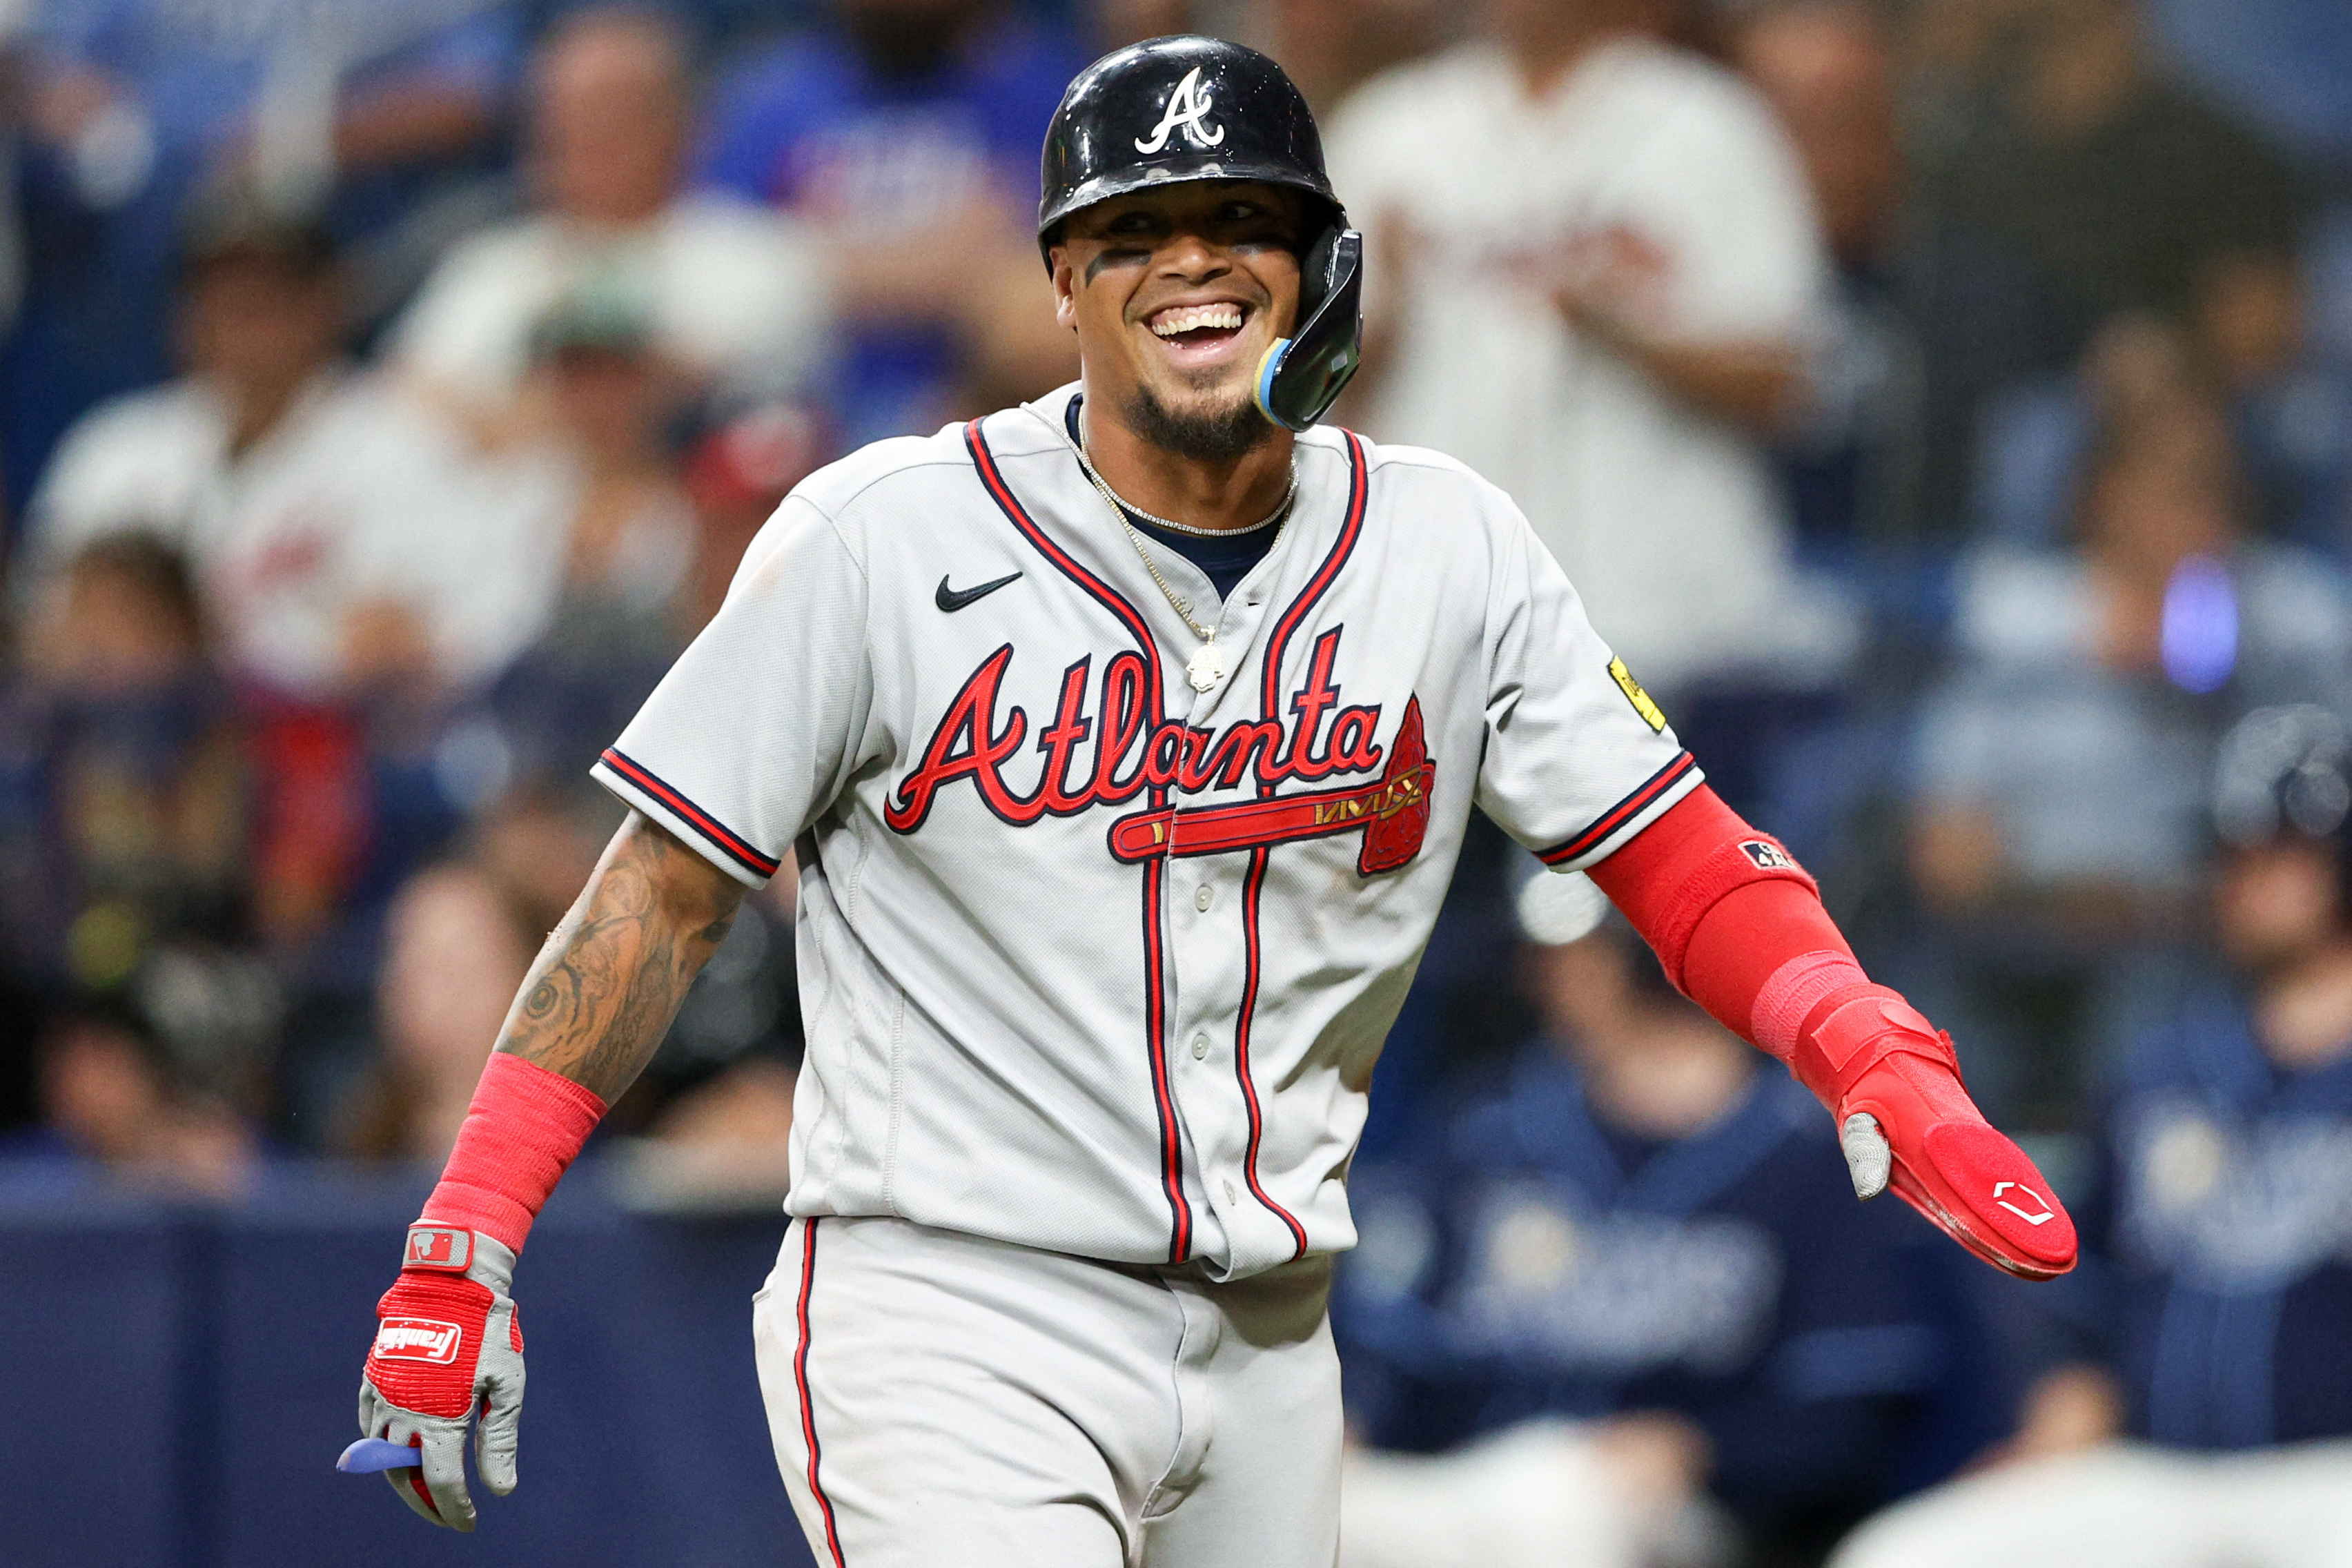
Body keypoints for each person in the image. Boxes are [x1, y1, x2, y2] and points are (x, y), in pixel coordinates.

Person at [350, 39, 2076, 1562]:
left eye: (1237, 222)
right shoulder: (878, 536)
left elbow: (1674, 852)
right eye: (1130, 233)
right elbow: (655, 894)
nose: (1188, 262)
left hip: (1267, 1337)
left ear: (1319, 266)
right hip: (952, 1307)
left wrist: (1868, 1045)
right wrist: (467, 1229)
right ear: (1061, 283)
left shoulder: (1443, 542)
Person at [1834, 704, 2352, 1568]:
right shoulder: (2168, 1066)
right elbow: (2092, 1280)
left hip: (2333, 1481)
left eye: (2279, 851)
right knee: (1904, 1555)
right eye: (2233, 853)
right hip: (2157, 1474)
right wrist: (2065, 1410)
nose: (2245, 877)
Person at [1335, 904, 1966, 1567]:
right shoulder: (1488, 1125)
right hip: (1460, 1482)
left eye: (1580, 954)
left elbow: (1845, 1418)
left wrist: (1701, 1447)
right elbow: (1387, 1338)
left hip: (1675, 1513)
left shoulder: (1812, 1153)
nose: (1544, 975)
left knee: (1550, 1509)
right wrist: (1349, 1423)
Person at [1322, 0, 1839, 699]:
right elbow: (1294, 411)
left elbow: (1790, 385)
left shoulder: (1707, 122)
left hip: (1678, 629)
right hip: (1439, 632)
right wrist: (1386, 314)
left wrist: (1624, 330)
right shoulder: (1391, 129)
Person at [391, 8, 833, 427]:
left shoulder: (759, 256)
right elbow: (408, 388)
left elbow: (682, 393)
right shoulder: (490, 262)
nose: (581, 143)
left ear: (680, 125)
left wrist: (512, 417)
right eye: (562, 123)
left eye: (609, 118)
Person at [692, 0, 1085, 443]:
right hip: (798, 405)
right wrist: (939, 266)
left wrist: (817, 261)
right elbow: (707, 282)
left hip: (982, 406)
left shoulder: (1043, 93)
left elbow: (1060, 274)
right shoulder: (769, 101)